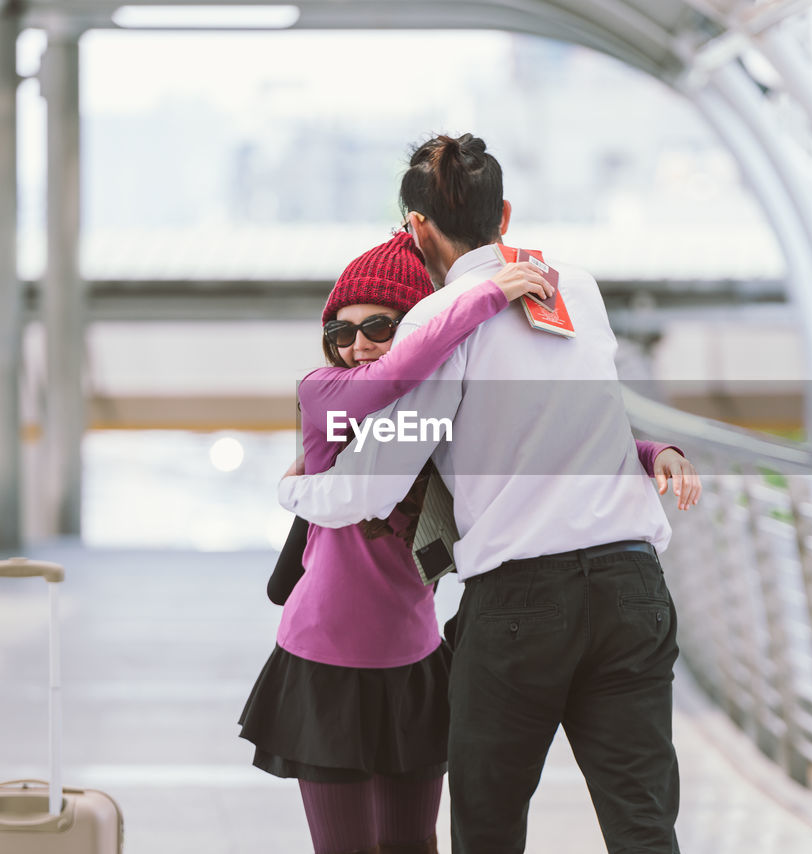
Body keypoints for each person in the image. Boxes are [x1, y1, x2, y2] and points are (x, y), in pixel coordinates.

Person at [279, 133, 697, 854]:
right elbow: (573, 423)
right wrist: (652, 451)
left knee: (489, 828)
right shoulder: (581, 289)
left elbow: (371, 487)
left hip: (522, 606)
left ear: (416, 228)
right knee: (643, 825)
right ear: (503, 214)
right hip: (633, 585)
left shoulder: (441, 322)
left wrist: (298, 494)